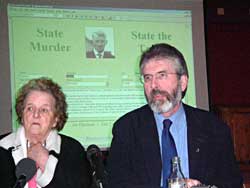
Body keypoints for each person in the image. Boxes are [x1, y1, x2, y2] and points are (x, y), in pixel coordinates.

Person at [107, 43, 243, 188]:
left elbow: (232, 183)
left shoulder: (213, 128)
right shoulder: (127, 129)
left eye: (162, 75)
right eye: (147, 78)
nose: (154, 86)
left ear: (183, 82)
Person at [0, 77, 91, 188]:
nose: (36, 115)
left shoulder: (73, 150)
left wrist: (45, 163)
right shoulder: (2, 147)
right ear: (21, 115)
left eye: (44, 110)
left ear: (56, 119)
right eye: (30, 108)